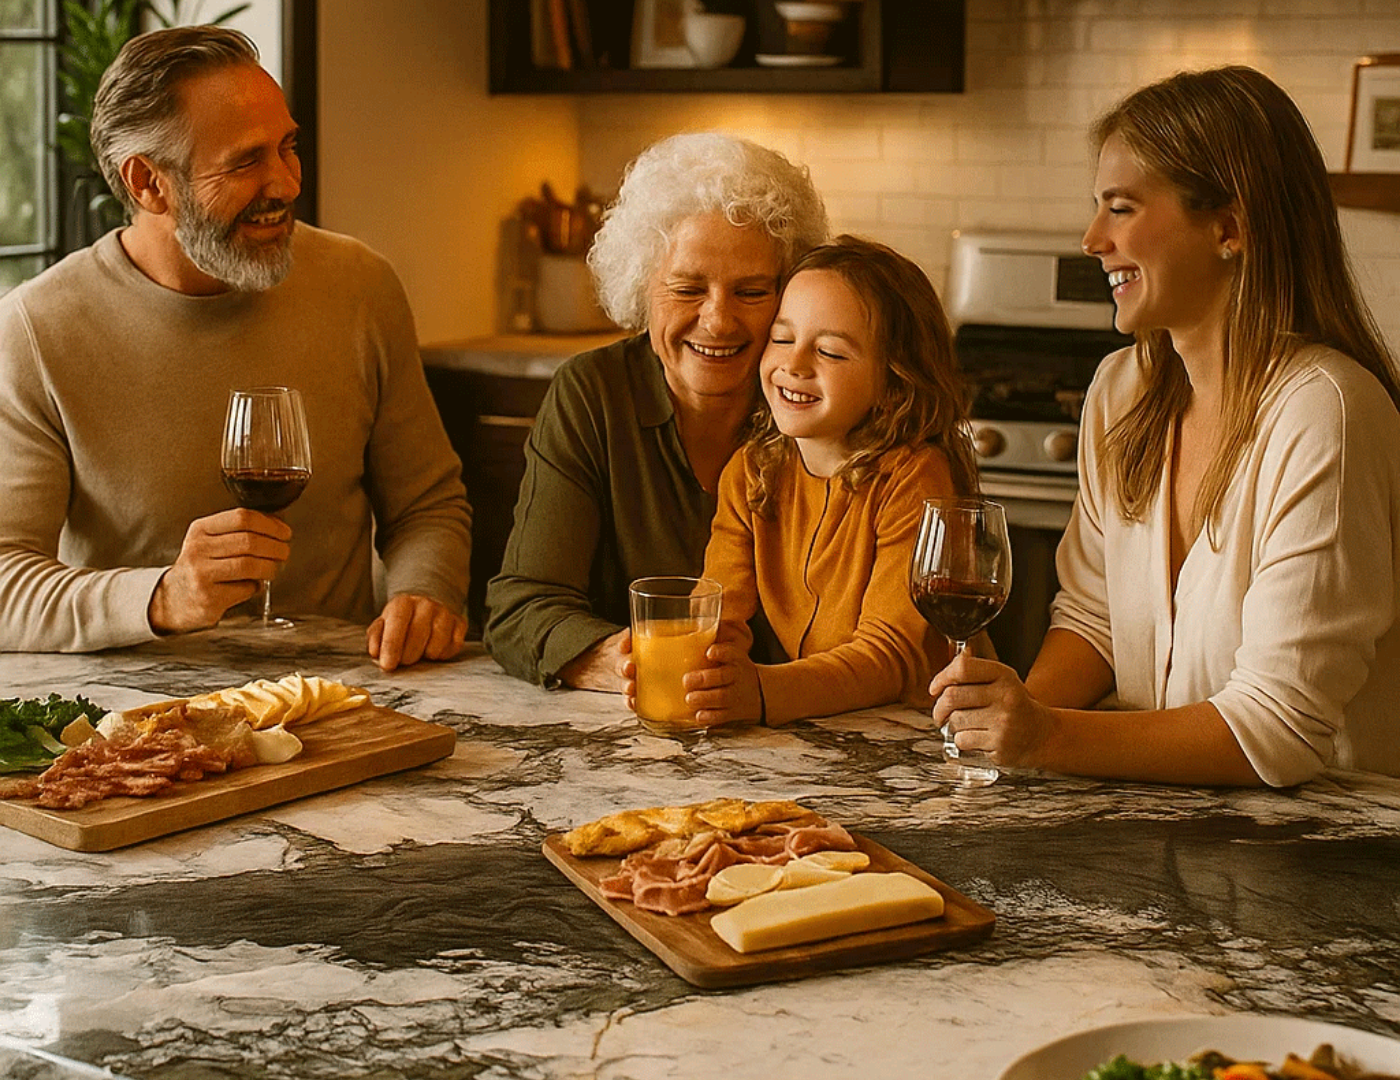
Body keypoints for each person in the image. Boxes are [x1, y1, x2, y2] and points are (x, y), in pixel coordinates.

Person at [929, 66, 1400, 786]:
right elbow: (1095, 618)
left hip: (1331, 852)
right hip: (1174, 824)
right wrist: (1003, 724)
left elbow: (1277, 729)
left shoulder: (1325, 410)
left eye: (1120, 209)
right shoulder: (1123, 391)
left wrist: (1046, 736)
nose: (1091, 239)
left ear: (1229, 227)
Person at [0, 26, 472, 670]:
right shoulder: (36, 327)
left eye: (288, 147)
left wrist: (425, 592)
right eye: (246, 161)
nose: (284, 183)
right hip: (134, 718)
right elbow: (5, 583)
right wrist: (163, 597)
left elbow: (427, 504)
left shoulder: (360, 285)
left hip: (341, 701)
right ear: (148, 183)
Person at [483, 132, 828, 691]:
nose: (717, 321)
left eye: (752, 292)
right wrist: (634, 664)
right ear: (643, 284)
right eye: (688, 288)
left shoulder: (825, 402)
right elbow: (522, 609)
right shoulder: (593, 393)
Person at [670, 235, 979, 726]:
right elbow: (720, 612)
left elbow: (890, 656)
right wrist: (698, 667)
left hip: (924, 732)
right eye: (783, 338)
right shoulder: (751, 472)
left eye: (830, 353)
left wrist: (765, 692)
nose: (794, 365)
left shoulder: (913, 476)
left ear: (893, 381)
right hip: (837, 726)